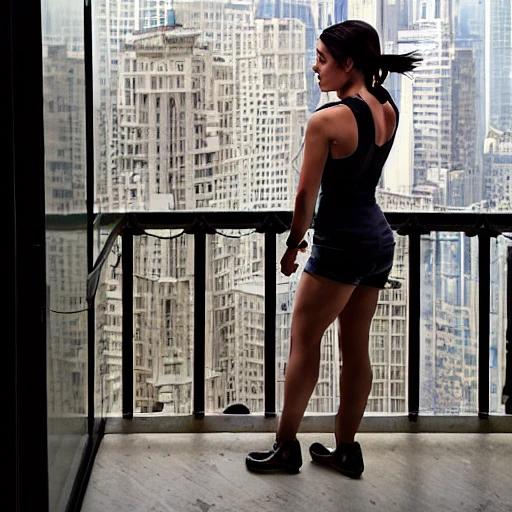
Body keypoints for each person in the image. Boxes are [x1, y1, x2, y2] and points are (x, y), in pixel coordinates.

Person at [245, 20, 421, 477]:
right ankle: (346, 449)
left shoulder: (327, 120)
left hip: (340, 244)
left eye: (322, 59)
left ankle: (286, 448)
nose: (315, 67)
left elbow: (306, 195)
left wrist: (293, 245)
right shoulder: (388, 106)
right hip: (377, 241)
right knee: (355, 349)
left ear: (348, 64)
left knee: (304, 343)